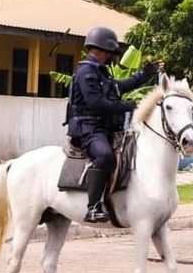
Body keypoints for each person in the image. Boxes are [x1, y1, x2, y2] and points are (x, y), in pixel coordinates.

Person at [65, 26, 161, 223]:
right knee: (104, 155)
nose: (110, 57)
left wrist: (144, 75)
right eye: (109, 52)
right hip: (88, 127)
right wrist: (129, 106)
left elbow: (119, 86)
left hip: (105, 127)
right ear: (100, 50)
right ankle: (92, 207)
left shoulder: (101, 72)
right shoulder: (86, 72)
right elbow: (96, 103)